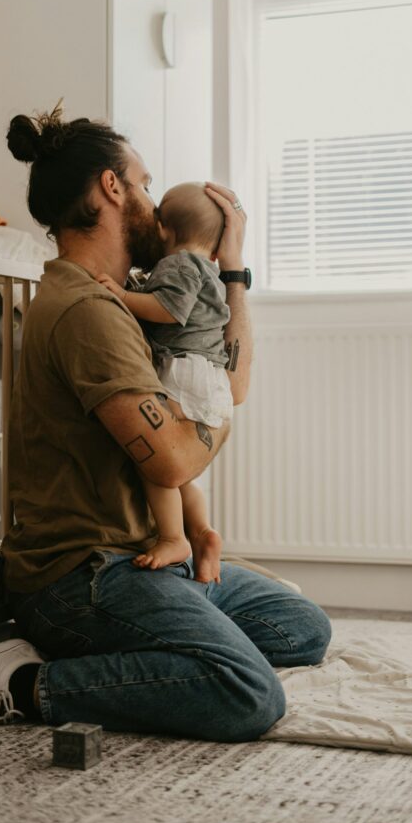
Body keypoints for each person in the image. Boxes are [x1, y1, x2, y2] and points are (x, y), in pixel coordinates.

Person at [0, 103, 331, 741]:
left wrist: (232, 269)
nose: (153, 203)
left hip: (144, 560)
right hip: (81, 575)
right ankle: (21, 685)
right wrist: (208, 416)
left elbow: (230, 388)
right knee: (247, 693)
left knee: (302, 627)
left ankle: (124, 650)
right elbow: (175, 459)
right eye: (145, 183)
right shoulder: (89, 310)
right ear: (112, 186)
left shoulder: (138, 292)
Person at [97, 181, 233, 584]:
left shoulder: (177, 264)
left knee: (155, 464)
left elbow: (169, 310)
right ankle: (202, 532)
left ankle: (174, 537)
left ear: (165, 230)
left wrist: (121, 295)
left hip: (183, 367)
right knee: (181, 472)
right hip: (210, 377)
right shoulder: (207, 269)